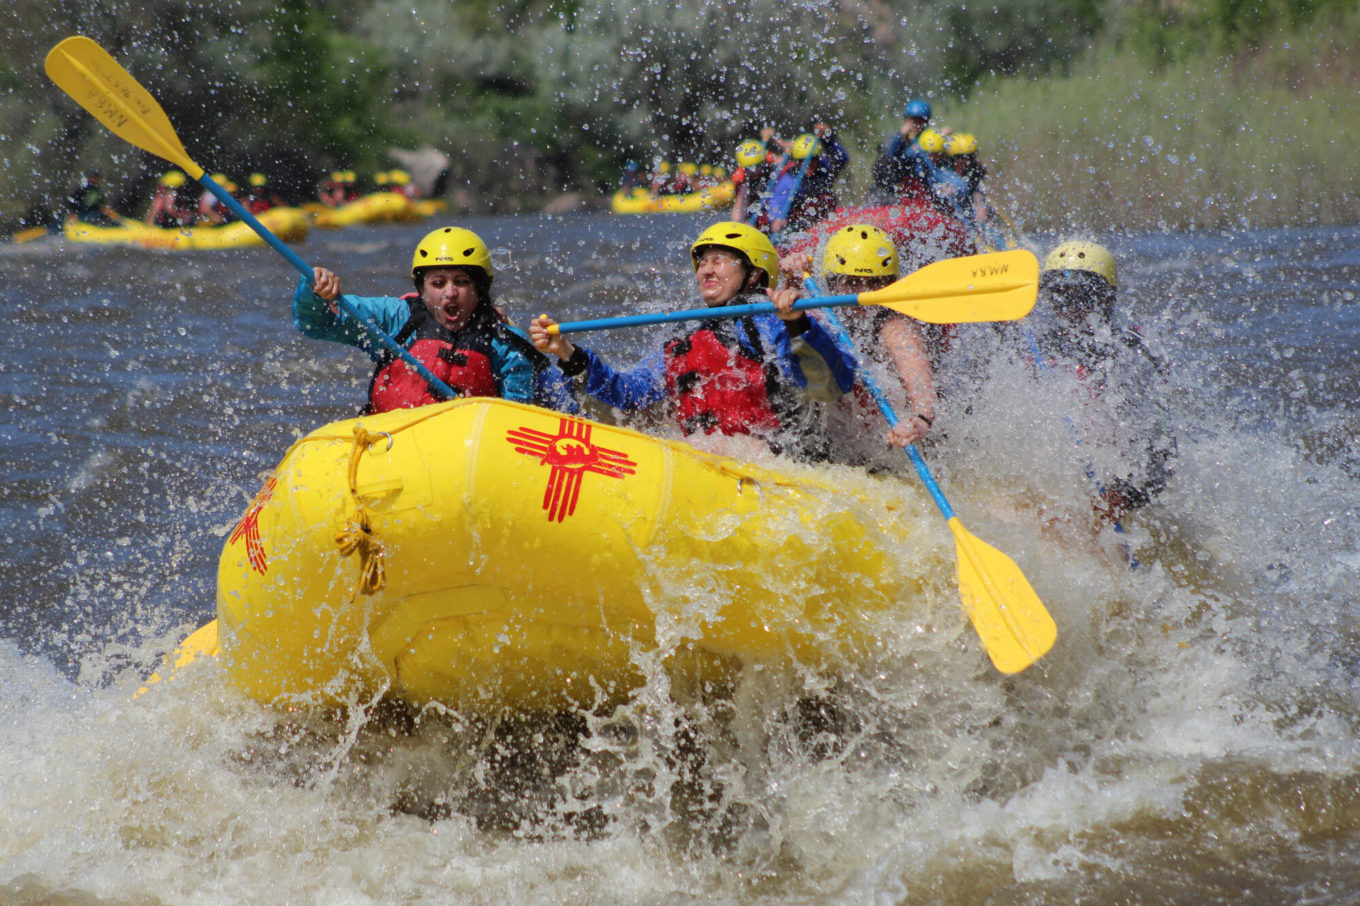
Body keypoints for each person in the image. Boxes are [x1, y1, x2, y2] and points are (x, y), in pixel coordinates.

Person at [529, 222, 856, 460]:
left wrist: (798, 325)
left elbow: (828, 386)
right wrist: (566, 352)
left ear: (754, 274)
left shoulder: (772, 325)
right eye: (703, 262)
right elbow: (628, 394)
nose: (706, 271)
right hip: (712, 467)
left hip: (782, 467)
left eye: (719, 261)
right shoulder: (682, 337)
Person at [294, 226, 577, 414]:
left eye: (462, 282)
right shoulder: (394, 319)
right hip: (388, 448)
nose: (450, 294)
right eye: (438, 283)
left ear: (480, 289)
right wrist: (315, 291)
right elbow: (315, 324)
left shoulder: (506, 343)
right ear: (421, 288)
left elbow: (517, 417)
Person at [1027, 241, 1176, 525]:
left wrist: (1128, 496)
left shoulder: (1131, 355)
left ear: (1106, 297)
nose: (1070, 307)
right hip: (1066, 478)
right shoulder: (1038, 348)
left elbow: (1164, 452)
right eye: (1060, 295)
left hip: (1122, 484)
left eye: (1083, 295)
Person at [764, 123, 850, 234]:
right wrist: (776, 219)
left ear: (818, 159)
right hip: (798, 226)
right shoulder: (790, 180)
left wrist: (828, 141)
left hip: (824, 221)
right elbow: (776, 204)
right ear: (796, 162)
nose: (807, 165)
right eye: (802, 161)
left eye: (811, 160)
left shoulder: (824, 168)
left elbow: (842, 159)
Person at [871, 98, 934, 204]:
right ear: (907, 120)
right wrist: (901, 136)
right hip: (900, 185)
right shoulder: (900, 139)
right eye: (914, 120)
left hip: (923, 184)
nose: (918, 124)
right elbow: (890, 154)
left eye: (921, 120)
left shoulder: (930, 138)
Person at [731, 138, 774, 224]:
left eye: (758, 166)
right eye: (749, 168)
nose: (755, 171)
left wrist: (774, 139)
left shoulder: (772, 166)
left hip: (771, 213)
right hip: (755, 218)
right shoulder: (743, 181)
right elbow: (738, 208)